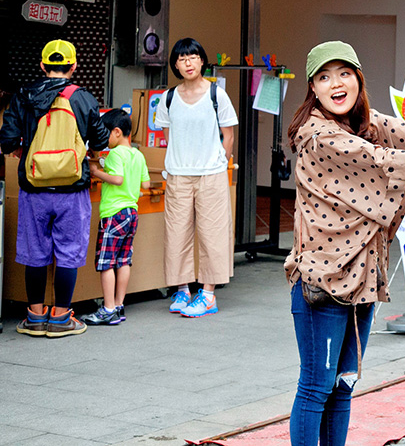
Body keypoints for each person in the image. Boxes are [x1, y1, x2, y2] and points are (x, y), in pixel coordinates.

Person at [286, 40, 405, 446]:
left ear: (358, 78)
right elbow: (376, 159)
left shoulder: (368, 122)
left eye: (344, 73)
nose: (335, 84)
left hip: (362, 282)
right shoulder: (316, 135)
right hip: (324, 284)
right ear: (313, 89)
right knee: (316, 387)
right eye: (324, 77)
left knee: (344, 384)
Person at [1, 40, 107, 337]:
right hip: (72, 190)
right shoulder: (83, 98)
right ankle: (61, 318)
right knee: (68, 252)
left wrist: (26, 156)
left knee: (36, 252)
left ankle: (34, 317)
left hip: (34, 190)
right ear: (73, 67)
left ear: (42, 65)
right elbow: (100, 141)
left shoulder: (23, 95)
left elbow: (7, 139)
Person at [154, 38, 238, 318]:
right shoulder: (168, 98)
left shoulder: (217, 95)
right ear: (175, 65)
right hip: (178, 175)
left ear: (202, 60)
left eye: (193, 57)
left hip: (210, 175)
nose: (188, 63)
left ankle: (209, 294)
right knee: (176, 234)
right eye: (181, 59)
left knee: (213, 235)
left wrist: (219, 162)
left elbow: (229, 135)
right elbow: (168, 136)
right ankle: (181, 291)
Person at [81, 109, 151, 326]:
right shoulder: (138, 155)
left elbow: (118, 179)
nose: (103, 139)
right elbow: (146, 185)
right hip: (131, 213)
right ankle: (119, 305)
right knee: (123, 260)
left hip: (113, 213)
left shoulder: (115, 155)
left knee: (106, 262)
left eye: (106, 134)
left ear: (117, 132)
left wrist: (95, 171)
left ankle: (107, 308)